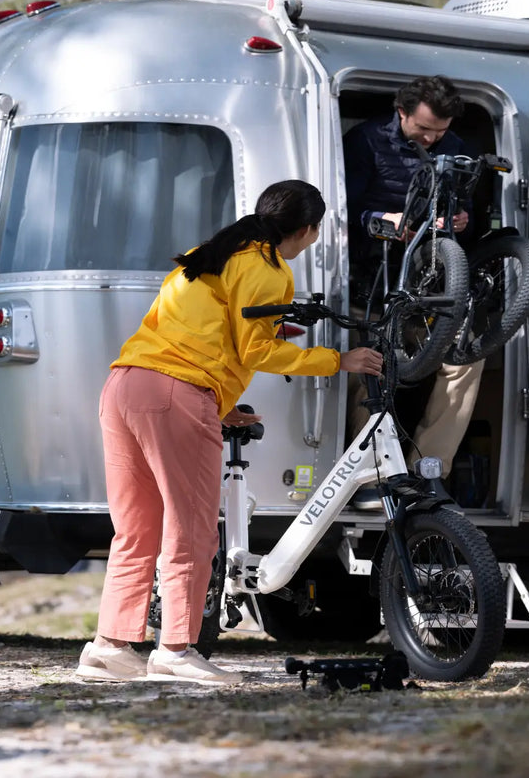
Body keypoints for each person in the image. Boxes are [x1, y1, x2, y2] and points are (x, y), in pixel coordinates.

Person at [76, 180, 383, 684]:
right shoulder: (267, 270)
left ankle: (109, 646)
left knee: (136, 529)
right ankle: (175, 647)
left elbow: (195, 332)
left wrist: (214, 403)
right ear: (307, 230)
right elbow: (256, 352)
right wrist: (339, 360)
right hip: (175, 394)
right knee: (193, 527)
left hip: (127, 385)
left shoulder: (211, 253)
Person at [343, 75, 484, 506]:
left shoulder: (456, 145)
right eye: (423, 129)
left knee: (466, 361)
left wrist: (462, 221)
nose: (431, 138)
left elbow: (471, 214)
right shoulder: (366, 141)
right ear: (401, 112)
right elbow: (341, 208)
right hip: (373, 280)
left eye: (439, 132)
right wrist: (385, 221)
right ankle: (367, 479)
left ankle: (427, 473)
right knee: (370, 367)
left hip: (431, 285)